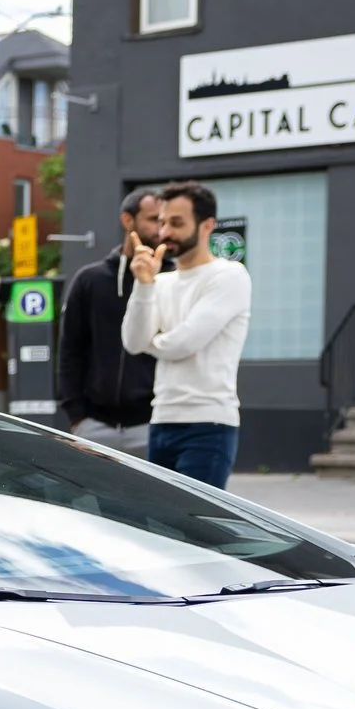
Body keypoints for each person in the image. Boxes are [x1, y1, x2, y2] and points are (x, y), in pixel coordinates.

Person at [123, 179, 251, 489]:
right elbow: (131, 341)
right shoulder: (160, 281)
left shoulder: (229, 275)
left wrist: (154, 341)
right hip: (162, 418)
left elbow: (185, 342)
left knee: (194, 532)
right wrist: (143, 285)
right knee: (155, 526)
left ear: (208, 225)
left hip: (209, 424)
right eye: (162, 222)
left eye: (176, 223)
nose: (164, 232)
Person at [57, 188, 162, 456]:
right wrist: (77, 416)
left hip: (152, 424)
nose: (160, 230)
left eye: (166, 222)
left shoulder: (171, 278)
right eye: (153, 220)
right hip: (94, 427)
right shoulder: (90, 280)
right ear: (128, 221)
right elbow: (70, 349)